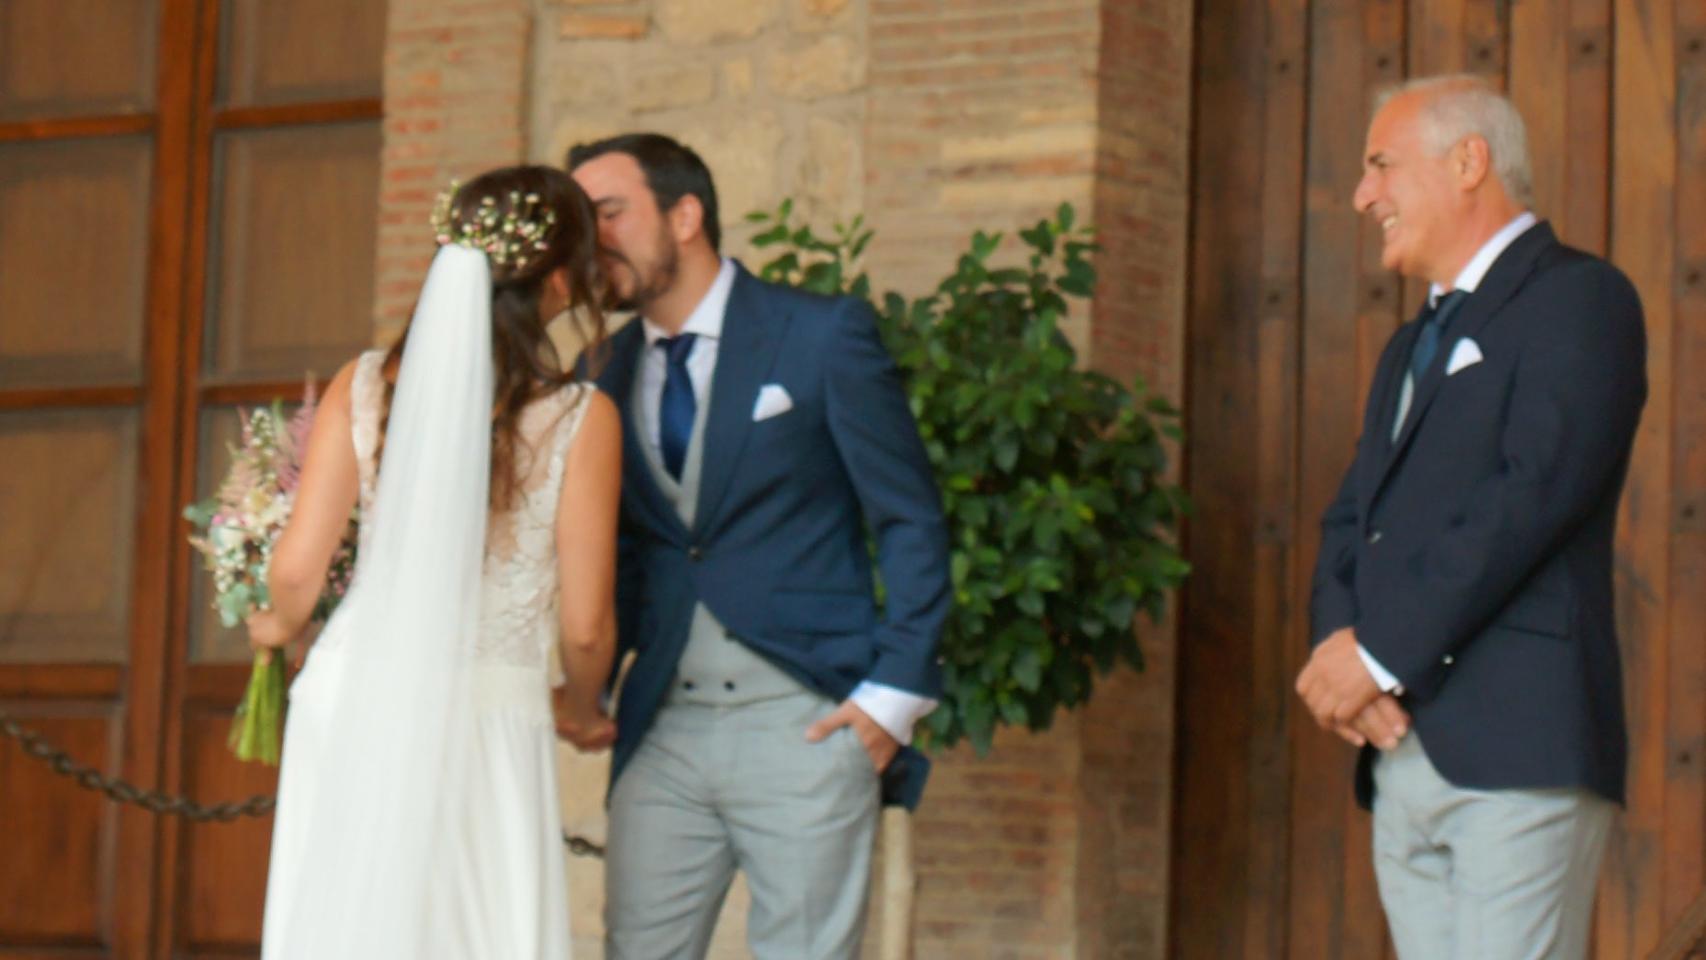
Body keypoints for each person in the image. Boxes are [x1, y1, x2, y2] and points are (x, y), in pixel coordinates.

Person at [567, 133, 951, 959]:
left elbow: (910, 519)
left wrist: (892, 696)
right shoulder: (601, 369)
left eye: (608, 213)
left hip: (804, 724)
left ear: (685, 216)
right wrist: (584, 682)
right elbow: (627, 552)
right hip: (663, 730)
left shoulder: (819, 336)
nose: (591, 239)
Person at [1295, 75, 1647, 958]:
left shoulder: (1583, 299)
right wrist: (1344, 658)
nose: (1361, 194)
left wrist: (1377, 655)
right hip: (1399, 746)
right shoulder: (1410, 342)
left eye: (1381, 165)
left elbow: (1531, 493)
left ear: (1468, 162)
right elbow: (1353, 518)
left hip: (1518, 750)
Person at [244, 165, 622, 959]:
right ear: (558, 282)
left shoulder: (365, 386)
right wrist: (582, 707)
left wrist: (275, 626)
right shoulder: (583, 419)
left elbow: (296, 570)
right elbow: (587, 627)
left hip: (355, 691)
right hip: (490, 707)